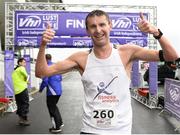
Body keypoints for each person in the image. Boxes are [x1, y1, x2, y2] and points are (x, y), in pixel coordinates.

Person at [35, 10, 179, 134]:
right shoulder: (80, 58)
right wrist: (43, 45)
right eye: (93, 26)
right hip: (90, 130)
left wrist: (156, 33)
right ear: (87, 31)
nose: (98, 30)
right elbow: (42, 72)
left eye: (102, 24)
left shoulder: (127, 52)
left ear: (110, 25)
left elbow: (172, 56)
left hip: (120, 130)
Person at [39, 54, 64, 133]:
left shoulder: (46, 67)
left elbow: (45, 81)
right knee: (54, 107)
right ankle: (60, 122)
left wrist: (41, 89)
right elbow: (60, 78)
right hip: (59, 90)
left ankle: (56, 127)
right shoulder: (56, 66)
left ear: (45, 59)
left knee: (52, 109)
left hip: (52, 92)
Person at [12, 58, 30, 126]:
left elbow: (19, 78)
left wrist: (25, 80)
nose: (25, 64)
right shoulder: (21, 68)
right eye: (24, 62)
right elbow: (26, 76)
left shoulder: (15, 70)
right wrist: (27, 81)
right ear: (19, 63)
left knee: (19, 105)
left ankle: (20, 120)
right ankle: (24, 120)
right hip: (22, 89)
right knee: (25, 104)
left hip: (17, 91)